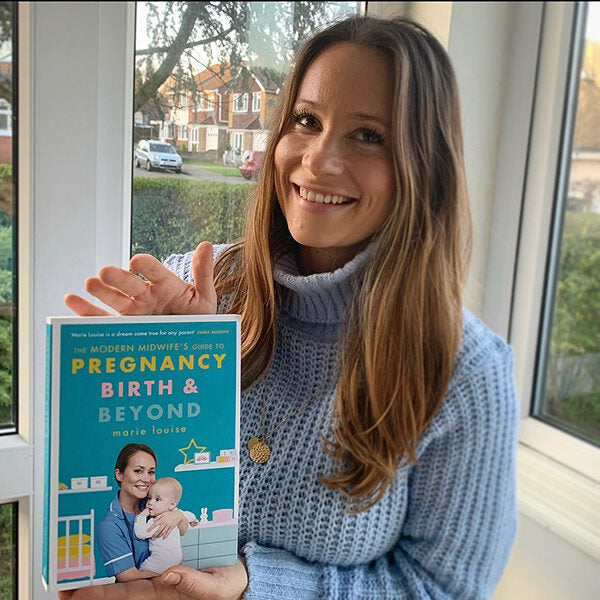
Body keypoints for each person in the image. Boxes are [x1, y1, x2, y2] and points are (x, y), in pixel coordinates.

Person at [63, 14, 519, 600]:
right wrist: (186, 371)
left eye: (368, 135)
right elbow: (114, 470)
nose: (318, 160)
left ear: (424, 166)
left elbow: (440, 589)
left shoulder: (465, 374)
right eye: (307, 121)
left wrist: (259, 584)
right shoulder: (195, 292)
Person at [96, 444, 190, 582]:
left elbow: (183, 530)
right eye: (138, 471)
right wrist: (176, 571)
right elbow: (128, 577)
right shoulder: (109, 526)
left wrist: (178, 516)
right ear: (119, 474)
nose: (146, 479)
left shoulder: (153, 503)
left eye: (151, 472)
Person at [134, 478, 186, 575]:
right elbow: (185, 514)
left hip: (161, 562)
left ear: (172, 504)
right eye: (149, 498)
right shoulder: (175, 513)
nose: (150, 502)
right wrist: (193, 519)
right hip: (176, 558)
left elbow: (140, 533)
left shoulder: (157, 521)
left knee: (141, 572)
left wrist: (141, 516)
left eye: (157, 499)